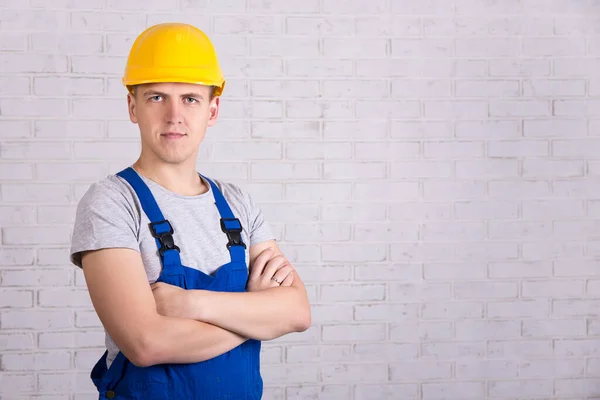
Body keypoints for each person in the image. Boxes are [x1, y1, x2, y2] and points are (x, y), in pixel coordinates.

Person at [69, 22, 311, 400]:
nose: (174, 115)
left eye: (190, 99)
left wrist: (188, 304)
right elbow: (146, 343)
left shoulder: (237, 204)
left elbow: (297, 312)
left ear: (213, 110)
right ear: (133, 106)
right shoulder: (112, 202)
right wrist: (258, 315)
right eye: (156, 97)